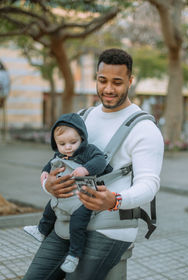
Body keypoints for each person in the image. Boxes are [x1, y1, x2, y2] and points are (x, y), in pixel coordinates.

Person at [23, 48, 164, 280]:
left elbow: (149, 185)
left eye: (117, 82)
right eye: (102, 80)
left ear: (130, 80)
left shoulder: (145, 129)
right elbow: (58, 161)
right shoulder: (83, 117)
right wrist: (47, 185)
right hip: (68, 221)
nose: (108, 89)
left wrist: (115, 200)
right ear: (96, 78)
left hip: (110, 227)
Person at [24, 113, 112, 274]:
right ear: (55, 143)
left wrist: (86, 169)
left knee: (77, 224)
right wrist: (44, 176)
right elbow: (48, 166)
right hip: (65, 196)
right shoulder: (59, 154)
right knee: (50, 207)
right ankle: (42, 229)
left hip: (85, 197)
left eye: (73, 142)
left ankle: (74, 255)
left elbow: (101, 161)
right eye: (62, 143)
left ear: (82, 139)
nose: (68, 147)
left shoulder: (88, 151)